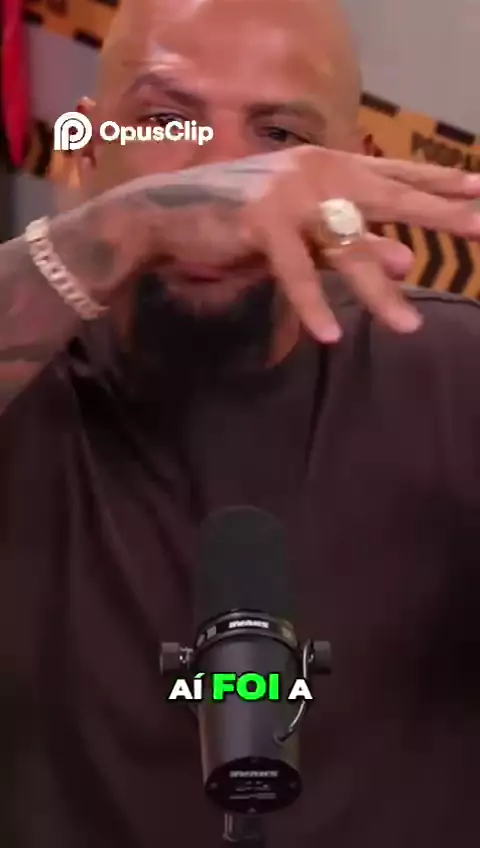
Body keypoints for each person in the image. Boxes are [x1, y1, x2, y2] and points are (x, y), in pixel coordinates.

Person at [1, 0, 480, 845]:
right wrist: (134, 222)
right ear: (86, 146)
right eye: (165, 123)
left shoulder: (453, 377)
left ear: (357, 169)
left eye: (281, 136)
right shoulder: (28, 389)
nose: (223, 176)